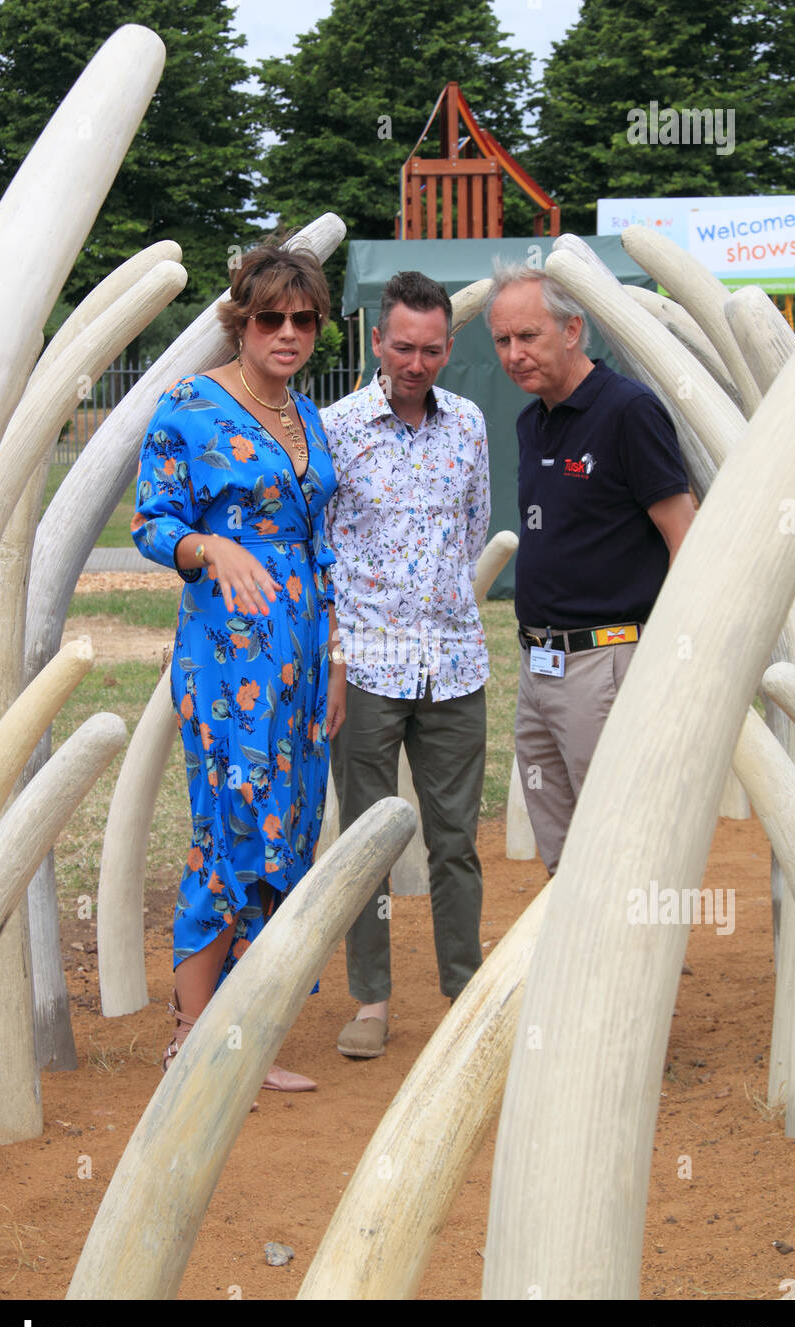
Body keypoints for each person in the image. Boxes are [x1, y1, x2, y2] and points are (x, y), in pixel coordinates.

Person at [131, 242, 346, 1089]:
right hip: (227, 653)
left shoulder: (305, 414)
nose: (288, 333)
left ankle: (247, 1039)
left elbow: (320, 542)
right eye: (271, 318)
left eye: (304, 319)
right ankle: (191, 1041)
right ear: (240, 320)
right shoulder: (187, 406)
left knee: (288, 830)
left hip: (299, 648)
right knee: (229, 826)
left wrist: (332, 658)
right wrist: (210, 543)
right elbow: (153, 522)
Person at [321, 270, 491, 1059]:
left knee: (455, 839)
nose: (415, 363)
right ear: (376, 343)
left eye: (430, 350)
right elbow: (320, 546)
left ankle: (463, 994)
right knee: (367, 840)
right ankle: (372, 1001)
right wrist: (336, 653)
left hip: (454, 666)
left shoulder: (471, 426)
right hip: (366, 668)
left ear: (448, 348)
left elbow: (474, 525)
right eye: (402, 348)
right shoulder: (335, 428)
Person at [487, 263, 695, 874]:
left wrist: (672, 658)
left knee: (618, 842)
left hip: (606, 665)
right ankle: (574, 967)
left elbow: (685, 538)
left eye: (529, 336)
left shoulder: (628, 411)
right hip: (538, 667)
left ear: (573, 328)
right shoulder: (532, 422)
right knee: (562, 848)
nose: (515, 354)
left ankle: (634, 968)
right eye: (502, 340)